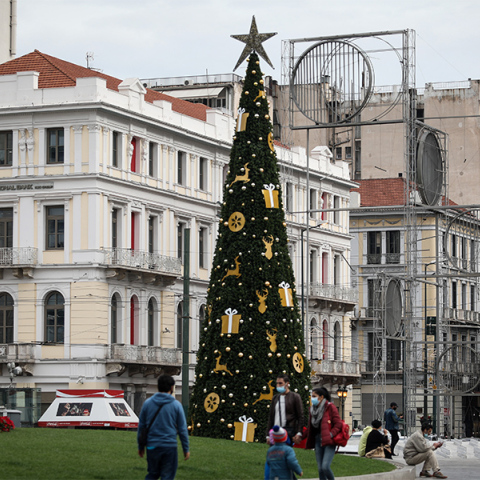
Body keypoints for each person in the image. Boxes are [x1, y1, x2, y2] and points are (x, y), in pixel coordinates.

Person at [137, 374, 190, 480]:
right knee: (167, 476)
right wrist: (186, 449)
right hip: (169, 446)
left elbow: (142, 426)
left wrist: (140, 446)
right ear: (171, 387)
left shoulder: (148, 403)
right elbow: (182, 429)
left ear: (158, 386)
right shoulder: (176, 405)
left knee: (152, 474)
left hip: (152, 445)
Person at [304, 387, 342, 480]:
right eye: (311, 396)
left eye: (314, 396)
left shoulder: (330, 407)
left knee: (325, 467)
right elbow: (310, 428)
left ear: (321, 397)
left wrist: (331, 434)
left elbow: (338, 424)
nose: (312, 398)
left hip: (329, 441)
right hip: (318, 440)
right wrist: (301, 436)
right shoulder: (312, 410)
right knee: (320, 469)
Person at [267, 374, 304, 446]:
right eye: (277, 383)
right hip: (275, 430)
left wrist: (299, 432)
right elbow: (271, 417)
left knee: (285, 451)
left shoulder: (295, 397)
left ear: (287, 384)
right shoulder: (275, 398)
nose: (278, 385)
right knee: (273, 452)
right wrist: (268, 435)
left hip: (288, 430)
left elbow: (300, 416)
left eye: (280, 383)